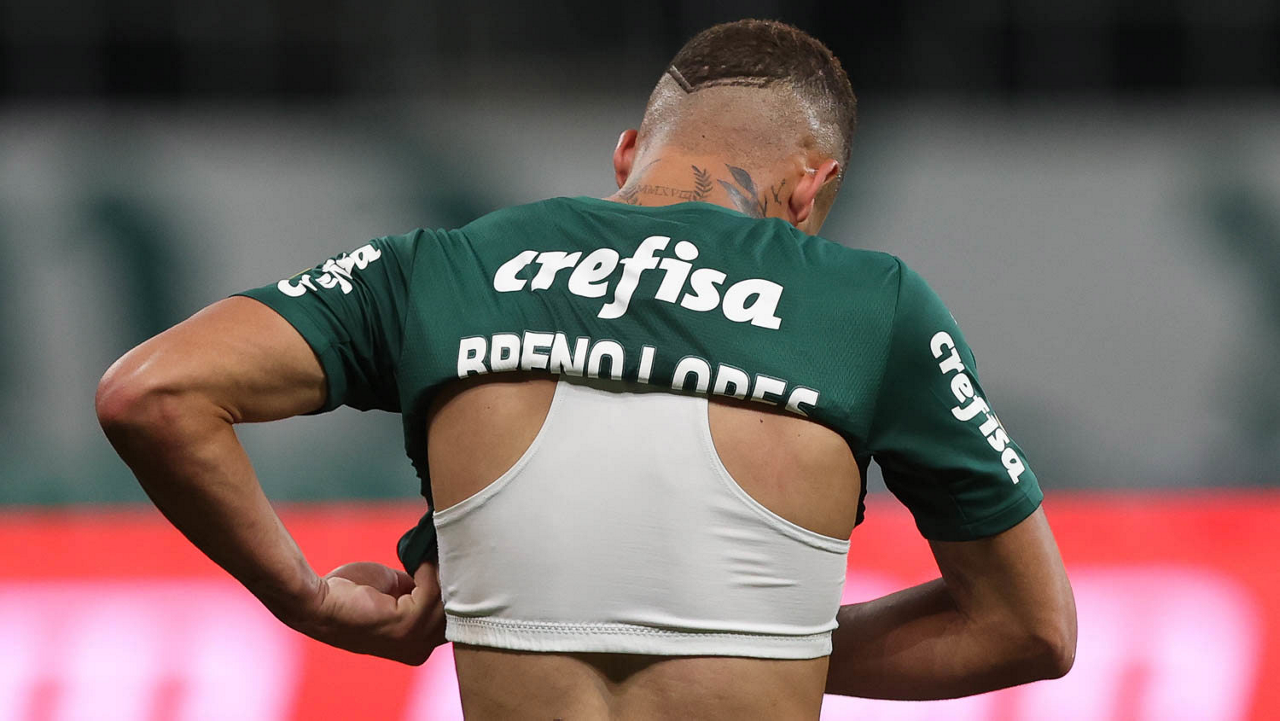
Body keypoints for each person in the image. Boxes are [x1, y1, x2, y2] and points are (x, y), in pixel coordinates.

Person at [96, 19, 1076, 720]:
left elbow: (152, 392)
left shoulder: (444, 269)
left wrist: (305, 598)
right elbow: (1032, 628)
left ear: (626, 154)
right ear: (811, 190)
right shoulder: (868, 304)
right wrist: (764, 638)